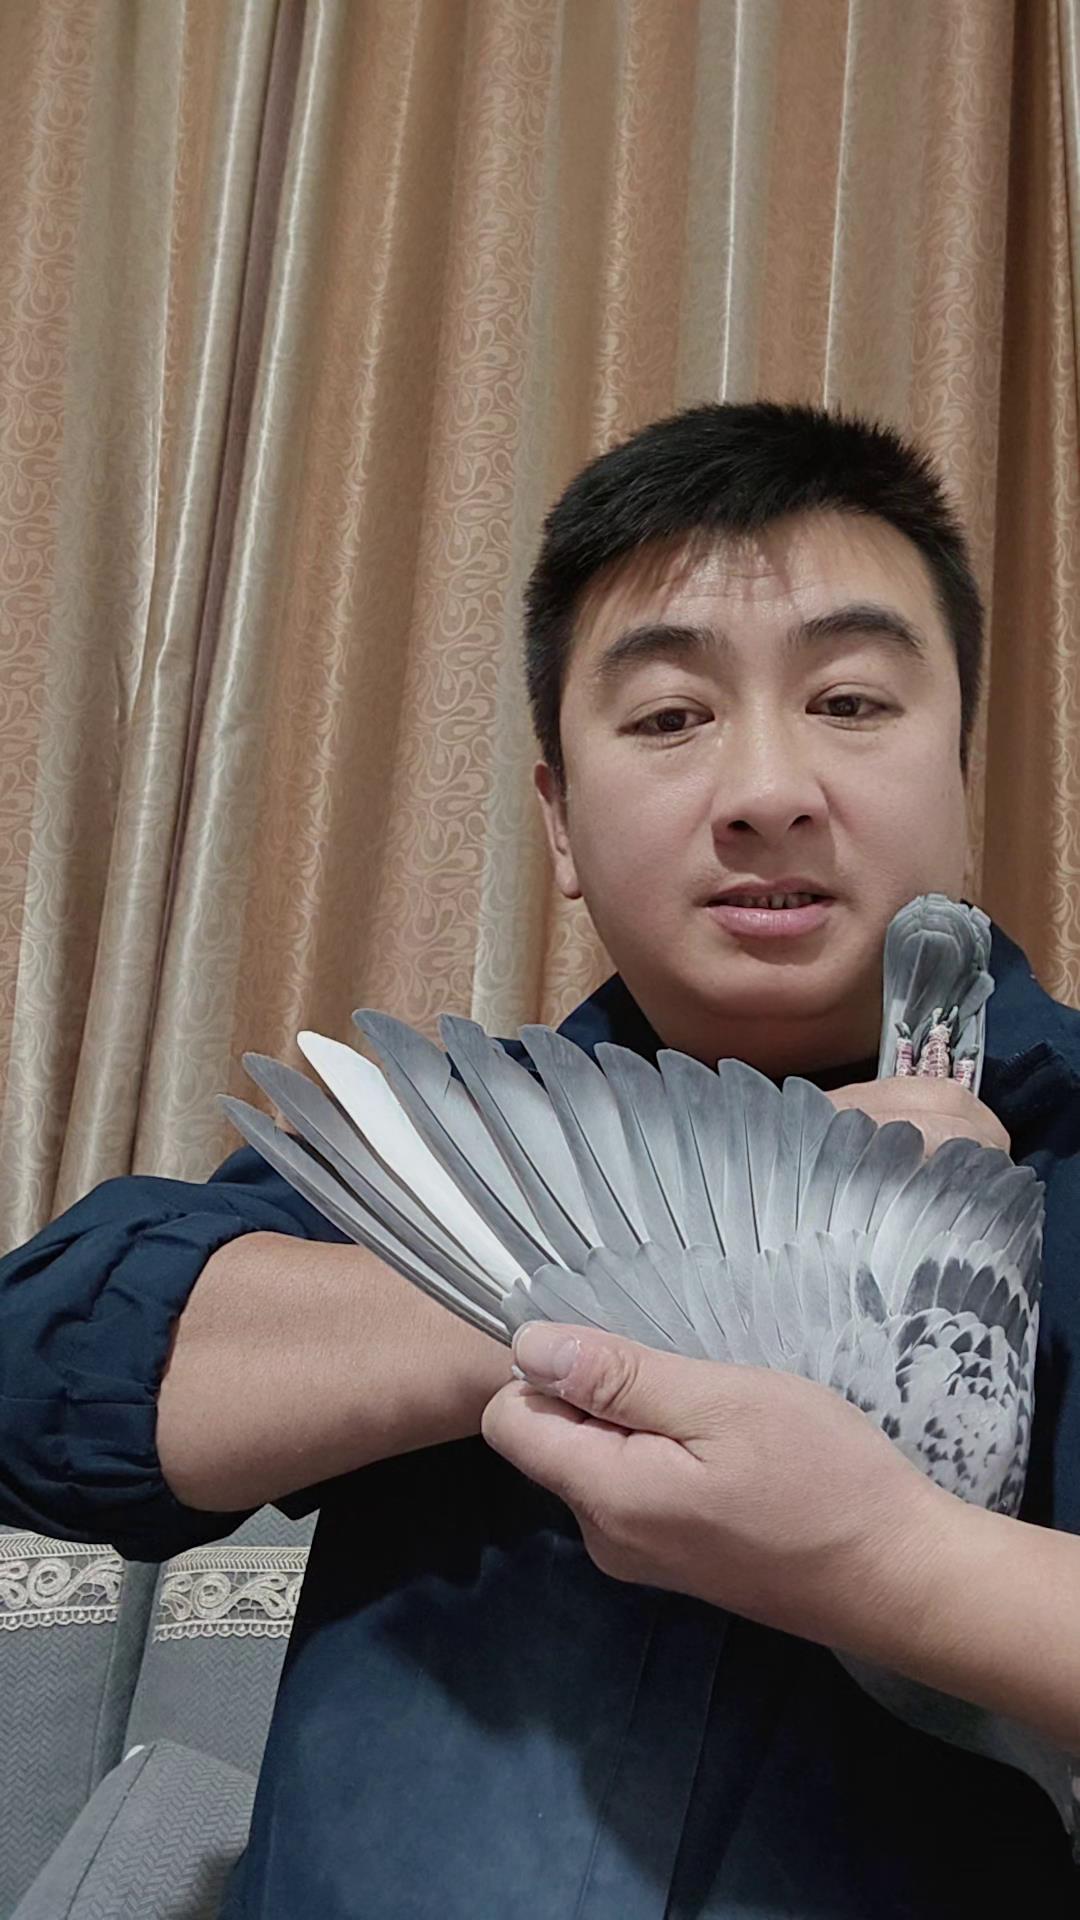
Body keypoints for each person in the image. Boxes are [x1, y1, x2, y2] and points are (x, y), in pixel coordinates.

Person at [3, 401, 1079, 1918]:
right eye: (669, 718)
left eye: (849, 701)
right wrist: (707, 1257)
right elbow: (45, 1375)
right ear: (560, 825)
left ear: (962, 771)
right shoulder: (453, 1143)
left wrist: (896, 1562)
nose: (767, 789)